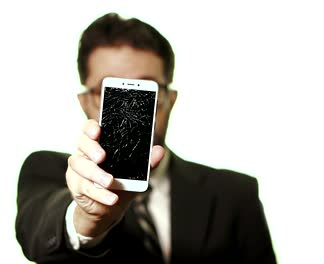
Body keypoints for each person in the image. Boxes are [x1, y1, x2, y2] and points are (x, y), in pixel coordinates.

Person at [15, 12, 276, 264]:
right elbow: (38, 232)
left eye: (144, 93)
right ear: (85, 102)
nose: (130, 112)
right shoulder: (46, 170)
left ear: (169, 100)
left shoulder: (235, 194)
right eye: (113, 93)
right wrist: (84, 218)